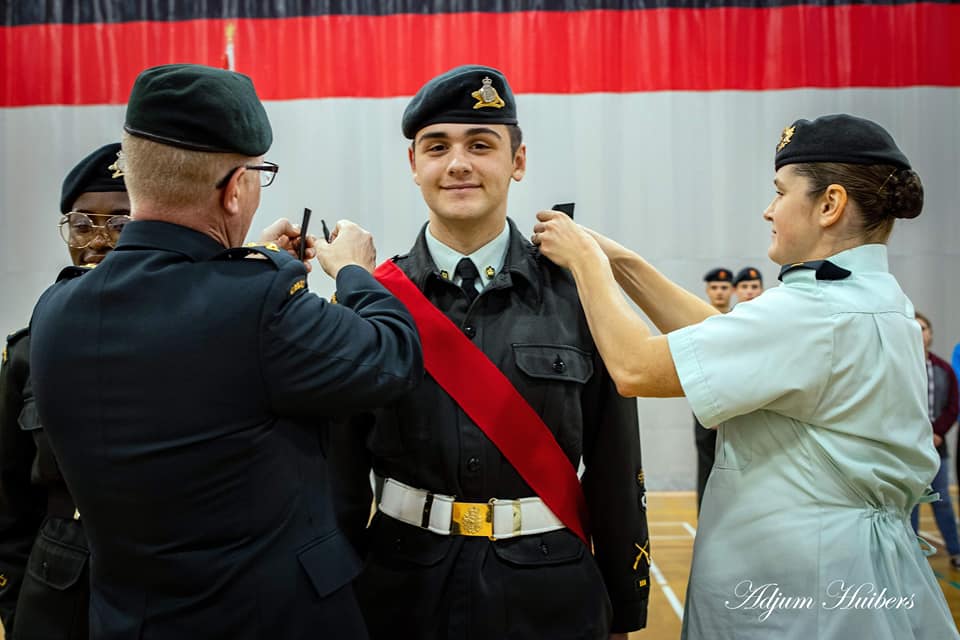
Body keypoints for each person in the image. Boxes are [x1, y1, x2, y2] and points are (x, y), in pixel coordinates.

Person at [27, 64, 423, 640]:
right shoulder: (260, 305)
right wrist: (356, 272)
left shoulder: (56, 311)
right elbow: (392, 357)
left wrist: (243, 268)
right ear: (235, 188)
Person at [534, 114, 959, 638]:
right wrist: (621, 261)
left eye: (780, 192)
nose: (768, 209)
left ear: (829, 204)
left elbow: (634, 367)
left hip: (803, 587)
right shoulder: (871, 298)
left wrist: (585, 264)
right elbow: (721, 337)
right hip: (847, 567)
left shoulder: (815, 314)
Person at [329, 65, 648, 640]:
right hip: (400, 592)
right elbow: (339, 476)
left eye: (481, 145)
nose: (458, 164)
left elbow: (616, 466)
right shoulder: (372, 302)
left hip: (550, 596)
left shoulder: (579, 295)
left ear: (517, 162)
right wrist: (333, 607)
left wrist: (623, 610)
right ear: (413, 165)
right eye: (437, 147)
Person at [0, 142, 129, 639]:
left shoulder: (191, 333)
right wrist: (15, 605)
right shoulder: (27, 352)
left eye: (120, 224)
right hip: (56, 592)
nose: (98, 240)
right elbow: (9, 501)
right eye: (81, 224)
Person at [910, 312, 960, 567]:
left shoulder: (944, 369)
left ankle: (955, 551)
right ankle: (911, 556)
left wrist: (937, 433)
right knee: (910, 505)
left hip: (938, 447)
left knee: (942, 501)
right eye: (914, 327)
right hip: (909, 448)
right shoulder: (901, 368)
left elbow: (953, 405)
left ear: (930, 334)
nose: (920, 333)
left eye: (924, 328)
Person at [693, 267, 733, 511]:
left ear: (732, 290)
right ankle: (704, 518)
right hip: (705, 403)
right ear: (708, 290)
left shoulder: (739, 320)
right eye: (715, 287)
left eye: (724, 287)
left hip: (734, 404)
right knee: (706, 465)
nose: (719, 292)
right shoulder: (698, 321)